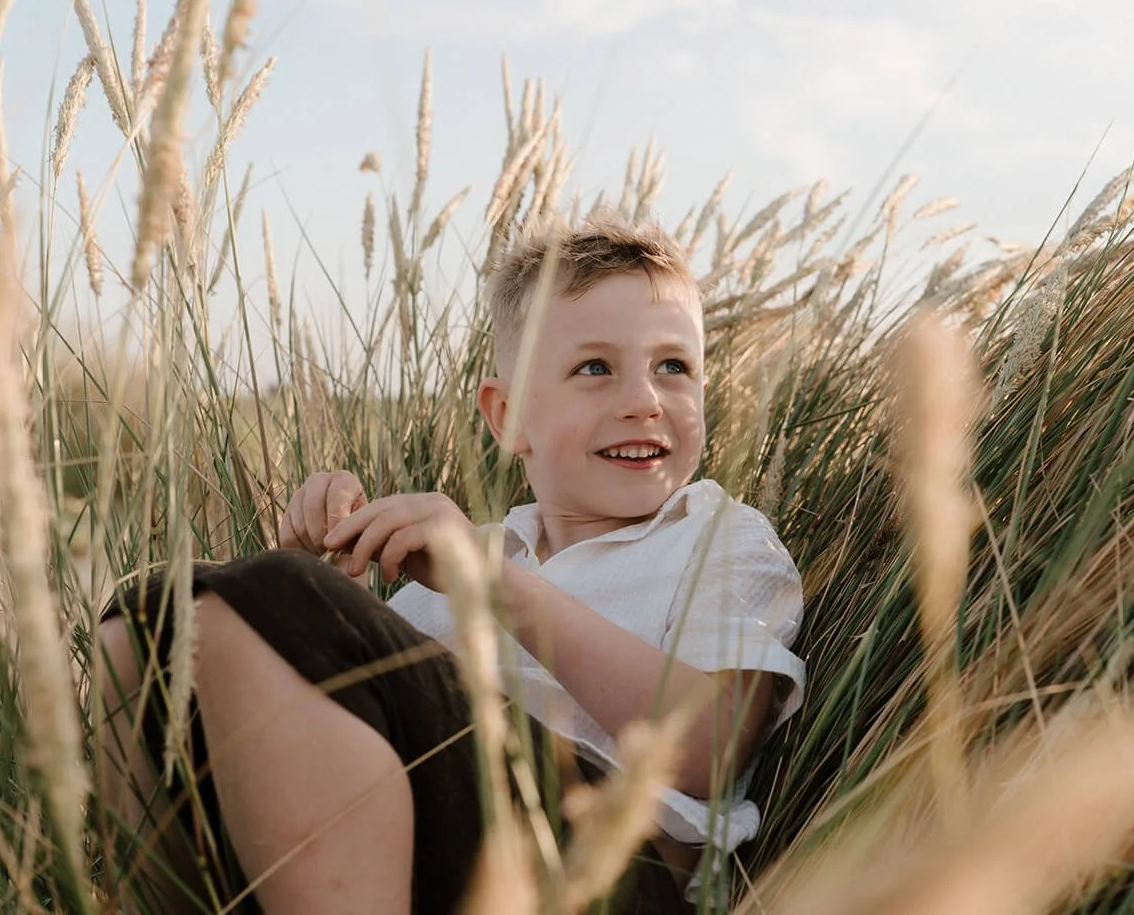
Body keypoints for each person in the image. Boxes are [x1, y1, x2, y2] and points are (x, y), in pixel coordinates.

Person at [96, 215, 806, 915]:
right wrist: (289, 599)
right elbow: (355, 713)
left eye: (673, 368)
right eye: (595, 367)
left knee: (260, 602)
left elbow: (709, 749)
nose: (645, 401)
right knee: (148, 624)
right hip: (414, 847)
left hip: (606, 870)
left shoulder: (720, 536)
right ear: (508, 418)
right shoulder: (465, 548)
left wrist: (490, 585)